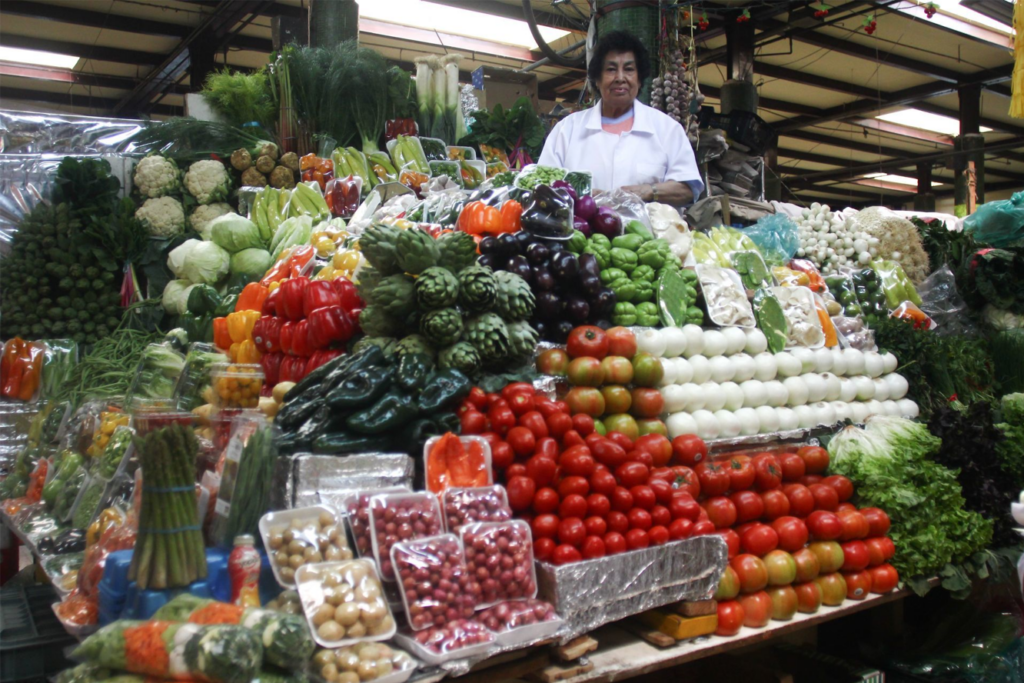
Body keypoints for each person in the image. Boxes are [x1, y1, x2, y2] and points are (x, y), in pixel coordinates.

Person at [538, 30, 703, 206]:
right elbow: (542, 186)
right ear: (597, 79)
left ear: (639, 80)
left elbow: (688, 189)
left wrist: (648, 191)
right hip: (580, 232)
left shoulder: (667, 129)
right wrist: (579, 196)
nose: (620, 78)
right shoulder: (567, 130)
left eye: (629, 69)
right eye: (611, 69)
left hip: (649, 233)